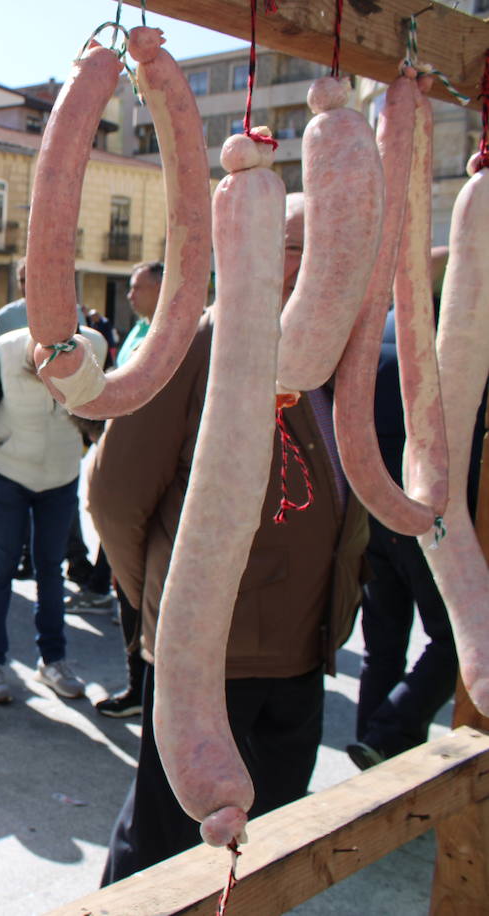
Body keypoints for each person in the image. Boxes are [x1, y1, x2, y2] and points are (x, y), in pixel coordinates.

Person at [92, 193, 368, 883]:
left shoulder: (337, 350)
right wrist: (164, 609)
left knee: (266, 848)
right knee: (160, 845)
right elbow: (115, 494)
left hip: (301, 655)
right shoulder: (199, 342)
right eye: (305, 247)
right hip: (204, 662)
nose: (326, 265)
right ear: (258, 252)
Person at [348, 247, 482, 770]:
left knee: (382, 640)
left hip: (374, 507)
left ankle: (370, 744)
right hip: (433, 514)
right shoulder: (461, 343)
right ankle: (389, 733)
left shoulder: (379, 330)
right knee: (456, 638)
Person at [0, 325, 108, 705]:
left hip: (60, 474)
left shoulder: (96, 347)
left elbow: (107, 411)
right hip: (8, 471)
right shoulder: (7, 351)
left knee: (51, 568)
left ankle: (53, 659)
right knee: (0, 567)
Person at [93, 260, 165, 719]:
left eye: (138, 288)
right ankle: (139, 683)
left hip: (153, 477)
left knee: (148, 590)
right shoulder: (140, 330)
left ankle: (150, 688)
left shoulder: (179, 335)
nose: (131, 296)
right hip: (128, 476)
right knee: (129, 589)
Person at [0, 258, 28, 339]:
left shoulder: (54, 315)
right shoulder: (4, 317)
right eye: (22, 281)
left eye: (29, 280)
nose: (25, 286)